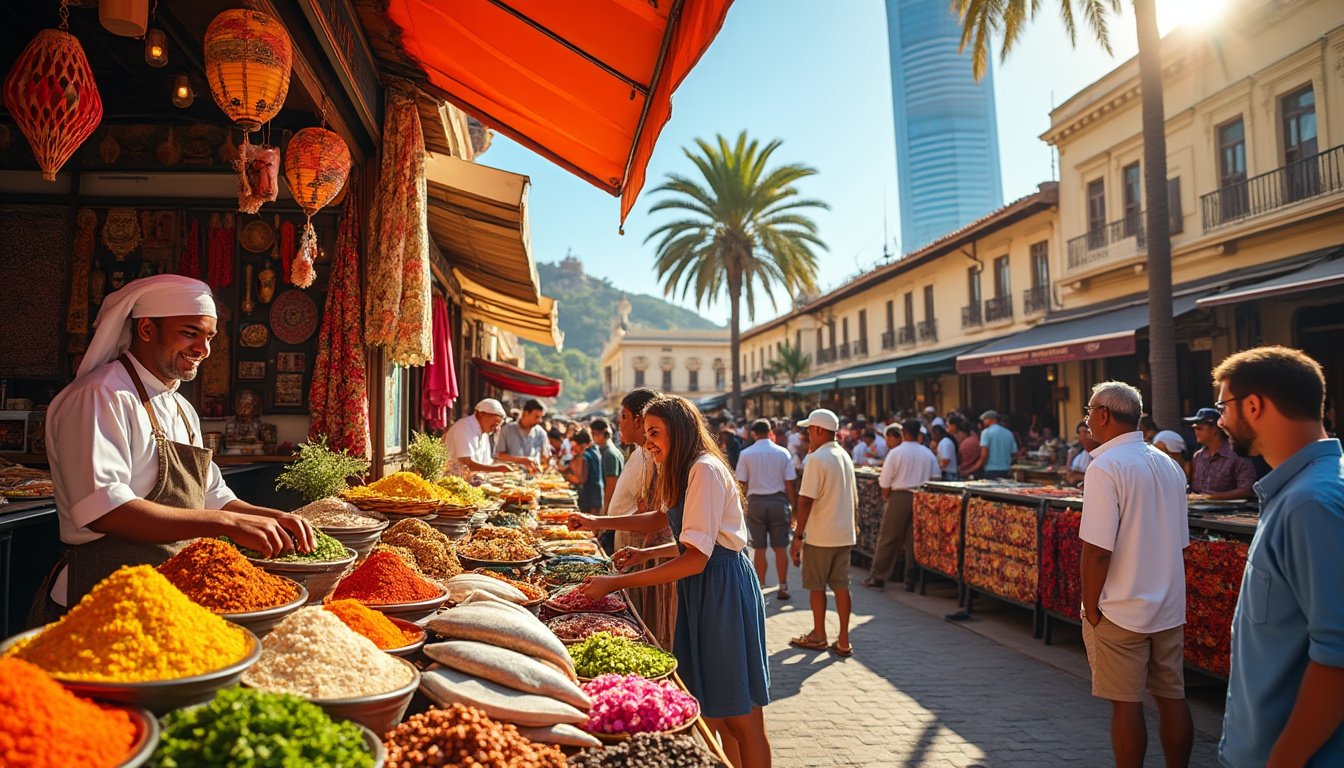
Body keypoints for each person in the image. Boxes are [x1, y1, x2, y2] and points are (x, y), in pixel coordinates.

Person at [39, 275, 315, 620]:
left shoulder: (181, 408)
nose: (203, 349)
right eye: (189, 333)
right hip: (103, 598)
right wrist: (225, 524)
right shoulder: (100, 396)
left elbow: (212, 495)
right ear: (146, 329)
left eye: (209, 337)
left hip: (170, 596)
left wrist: (275, 517)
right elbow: (106, 510)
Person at [570, 396, 770, 768]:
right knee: (716, 707)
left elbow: (696, 559)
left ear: (679, 431)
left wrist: (614, 583)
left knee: (742, 716)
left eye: (655, 433)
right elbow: (661, 520)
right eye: (646, 434)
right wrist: (603, 527)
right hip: (705, 586)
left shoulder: (705, 470)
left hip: (722, 589)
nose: (648, 443)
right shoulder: (685, 468)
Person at [1215, 347, 1344, 767]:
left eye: (1223, 405)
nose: (1219, 420)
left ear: (1253, 405)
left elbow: (1337, 657)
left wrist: (1283, 760)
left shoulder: (1311, 502)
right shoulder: (1304, 490)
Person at [1079, 381, 1193, 768]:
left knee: (1126, 704)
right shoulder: (1168, 463)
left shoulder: (1105, 466)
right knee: (1172, 697)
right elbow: (1180, 542)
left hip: (1121, 606)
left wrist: (1091, 609)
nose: (1088, 418)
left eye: (1089, 410)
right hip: (1168, 604)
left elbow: (1096, 550)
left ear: (1104, 415)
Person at [786, 408, 857, 658]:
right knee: (840, 585)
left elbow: (805, 501)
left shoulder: (817, 458)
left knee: (817, 586)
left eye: (809, 430)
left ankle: (819, 634)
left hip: (821, 534)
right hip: (843, 533)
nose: (807, 435)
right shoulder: (844, 456)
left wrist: (798, 536)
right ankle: (844, 640)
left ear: (818, 430)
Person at [865, 420, 940, 592]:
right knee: (913, 539)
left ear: (904, 433)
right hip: (922, 496)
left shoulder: (896, 453)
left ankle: (878, 576)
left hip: (900, 495)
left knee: (888, 537)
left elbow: (884, 482)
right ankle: (910, 579)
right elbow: (936, 478)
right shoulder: (928, 453)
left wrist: (888, 498)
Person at [737, 418, 798, 600]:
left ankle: (760, 587)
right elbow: (789, 484)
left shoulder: (746, 453)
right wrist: (794, 508)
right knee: (780, 547)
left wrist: (741, 507)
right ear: (771, 431)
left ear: (754, 433)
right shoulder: (783, 453)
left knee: (760, 548)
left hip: (755, 502)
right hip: (778, 502)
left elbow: (742, 484)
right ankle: (783, 586)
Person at [1183, 407, 1256, 501]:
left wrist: (1209, 497)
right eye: (1194, 428)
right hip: (1199, 512)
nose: (1195, 431)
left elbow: (1247, 490)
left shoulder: (1237, 454)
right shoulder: (1198, 456)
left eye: (1199, 428)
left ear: (1214, 429)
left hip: (1231, 513)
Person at [445, 399, 513, 475]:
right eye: (495, 423)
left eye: (498, 425)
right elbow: (467, 464)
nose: (496, 428)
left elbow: (486, 463)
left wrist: (503, 466)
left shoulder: (484, 432)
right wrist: (498, 469)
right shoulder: (464, 426)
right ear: (481, 414)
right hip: (454, 481)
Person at [590, 418, 624, 553]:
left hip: (613, 507)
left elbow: (611, 484)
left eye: (594, 434)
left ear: (601, 434)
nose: (593, 437)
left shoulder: (609, 453)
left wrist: (604, 512)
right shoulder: (608, 451)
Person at [495, 398, 549, 472]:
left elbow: (545, 456)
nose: (539, 420)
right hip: (511, 476)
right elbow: (499, 455)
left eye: (541, 417)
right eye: (536, 416)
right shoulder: (507, 430)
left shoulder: (541, 433)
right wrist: (522, 460)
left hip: (534, 477)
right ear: (526, 413)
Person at [563, 430, 604, 515]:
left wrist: (567, 476)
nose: (574, 449)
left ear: (582, 445)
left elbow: (580, 479)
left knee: (589, 524)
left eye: (575, 446)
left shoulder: (585, 456)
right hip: (597, 494)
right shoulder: (594, 451)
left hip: (590, 497)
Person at [978, 410, 1017, 479]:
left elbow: (984, 456)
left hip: (991, 470)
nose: (983, 422)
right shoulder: (1008, 433)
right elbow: (1014, 453)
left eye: (984, 420)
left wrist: (977, 467)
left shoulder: (986, 432)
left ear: (990, 420)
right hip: (1006, 470)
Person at [1067, 420, 1097, 487]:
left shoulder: (1094, 452)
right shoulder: (1074, 450)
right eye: (1080, 433)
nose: (1082, 435)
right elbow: (1069, 471)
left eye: (1085, 432)